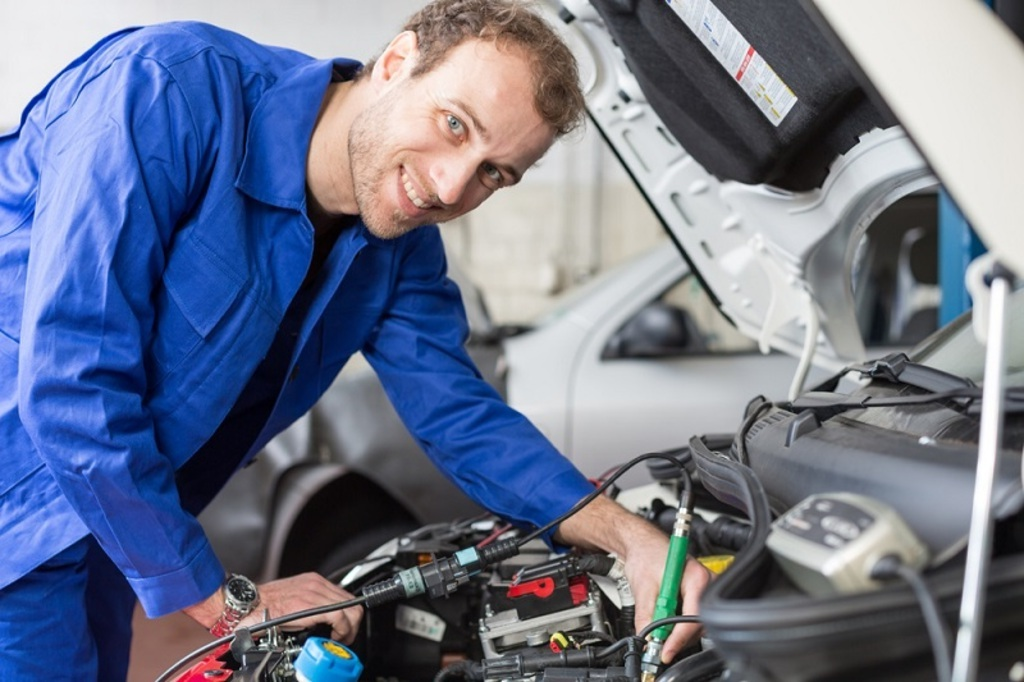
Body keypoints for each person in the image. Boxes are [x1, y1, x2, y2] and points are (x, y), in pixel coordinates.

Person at [0, 0, 710, 679]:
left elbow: (458, 413)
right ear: (398, 61)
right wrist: (228, 603)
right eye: (456, 125)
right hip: (19, 508)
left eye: (495, 173)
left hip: (108, 528)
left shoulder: (397, 247)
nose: (449, 186)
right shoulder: (166, 90)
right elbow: (72, 382)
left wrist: (631, 539)